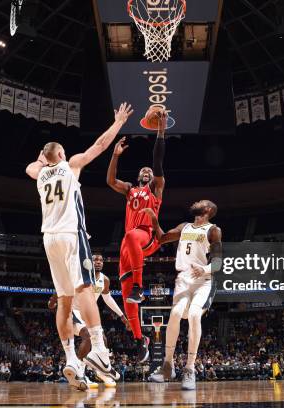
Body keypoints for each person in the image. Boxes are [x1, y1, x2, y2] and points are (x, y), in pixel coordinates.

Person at [26, 102, 133, 391]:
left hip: (49, 238)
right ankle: (98, 348)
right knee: (85, 288)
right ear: (60, 154)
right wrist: (119, 122)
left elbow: (31, 167)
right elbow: (99, 145)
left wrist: (42, 158)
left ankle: (72, 357)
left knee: (64, 298)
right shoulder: (70, 164)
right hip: (72, 234)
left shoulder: (40, 175)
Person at [106, 107, 168, 362]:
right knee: (124, 292)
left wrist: (161, 131)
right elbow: (110, 181)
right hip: (129, 242)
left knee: (131, 236)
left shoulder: (156, 188)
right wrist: (115, 155)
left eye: (149, 171)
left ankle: (140, 287)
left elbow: (157, 161)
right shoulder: (131, 189)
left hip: (147, 236)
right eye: (143, 170)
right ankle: (138, 339)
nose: (147, 171)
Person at [145, 200, 222, 390]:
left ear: (208, 210)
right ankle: (167, 366)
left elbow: (218, 264)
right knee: (175, 314)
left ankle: (189, 369)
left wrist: (204, 269)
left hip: (203, 280)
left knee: (195, 315)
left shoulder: (213, 230)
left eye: (201, 202)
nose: (196, 202)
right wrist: (154, 220)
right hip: (183, 279)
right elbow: (162, 238)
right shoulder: (184, 226)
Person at [48, 253, 132, 388]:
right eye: (95, 259)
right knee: (87, 336)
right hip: (74, 312)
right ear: (88, 261)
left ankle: (101, 372)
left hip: (88, 315)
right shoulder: (79, 274)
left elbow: (108, 298)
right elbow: (63, 287)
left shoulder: (104, 280)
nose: (98, 262)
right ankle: (79, 372)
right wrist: (52, 300)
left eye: (101, 260)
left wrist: (122, 316)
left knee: (102, 340)